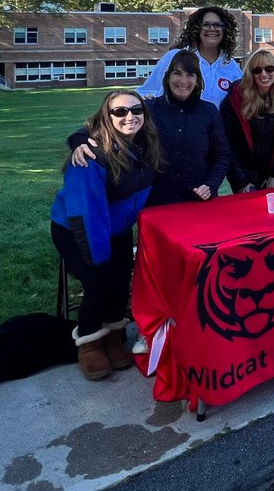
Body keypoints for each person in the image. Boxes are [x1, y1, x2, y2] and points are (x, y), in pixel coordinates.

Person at [50, 91, 163, 380]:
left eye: (136, 110)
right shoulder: (90, 155)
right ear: (106, 117)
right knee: (100, 281)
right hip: (77, 229)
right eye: (120, 112)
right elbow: (86, 213)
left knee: (122, 279)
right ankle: (89, 342)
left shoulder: (145, 145)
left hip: (118, 228)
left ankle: (114, 336)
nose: (129, 116)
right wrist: (98, 258)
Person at [69, 50, 231, 206]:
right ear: (167, 77)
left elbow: (221, 155)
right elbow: (102, 124)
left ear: (197, 80)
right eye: (177, 73)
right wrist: (80, 141)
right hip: (156, 202)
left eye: (190, 75)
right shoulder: (148, 108)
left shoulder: (209, 111)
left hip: (198, 199)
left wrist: (210, 184)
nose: (183, 81)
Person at [220, 49, 274, 192]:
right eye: (257, 70)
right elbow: (227, 143)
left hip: (272, 171)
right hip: (244, 174)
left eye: (269, 69)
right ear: (250, 73)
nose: (264, 74)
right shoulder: (235, 99)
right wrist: (241, 181)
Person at [137, 6, 242, 107]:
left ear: (225, 30)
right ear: (197, 29)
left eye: (218, 25)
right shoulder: (174, 57)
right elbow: (146, 92)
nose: (212, 29)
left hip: (217, 125)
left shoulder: (231, 65)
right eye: (206, 24)